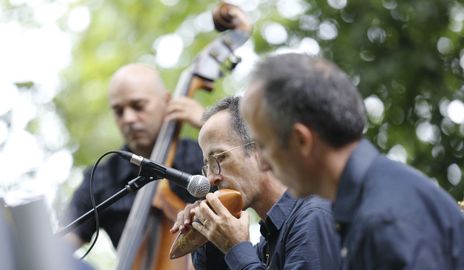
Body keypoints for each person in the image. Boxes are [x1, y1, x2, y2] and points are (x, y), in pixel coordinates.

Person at [241, 53, 464, 269]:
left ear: (302, 140)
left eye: (264, 145)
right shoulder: (374, 199)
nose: (263, 165)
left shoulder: (382, 221)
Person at [171, 96, 340, 269]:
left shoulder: (313, 217)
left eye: (220, 158)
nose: (211, 178)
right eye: (207, 166)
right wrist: (210, 234)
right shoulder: (267, 242)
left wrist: (236, 249)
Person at [62, 63, 204, 250]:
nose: (128, 118)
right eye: (119, 111)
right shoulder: (100, 178)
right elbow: (62, 247)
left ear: (167, 101)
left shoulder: (202, 156)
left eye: (138, 106)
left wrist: (210, 124)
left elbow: (252, 181)